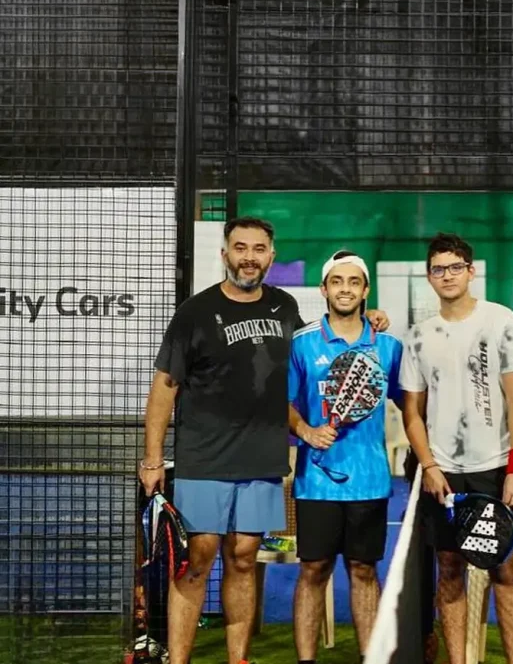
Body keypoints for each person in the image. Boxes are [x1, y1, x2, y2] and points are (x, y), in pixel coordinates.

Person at [139, 218, 390, 664]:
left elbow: (322, 343)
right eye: (240, 248)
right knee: (197, 561)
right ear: (225, 254)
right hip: (204, 459)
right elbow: (164, 386)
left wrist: (365, 318)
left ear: (271, 258)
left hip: (262, 461)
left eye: (259, 249)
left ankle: (239, 658)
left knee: (243, 558)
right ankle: (178, 660)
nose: (249, 257)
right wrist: (153, 458)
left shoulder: (284, 307)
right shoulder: (195, 312)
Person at [399, 232, 513, 664]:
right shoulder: (419, 336)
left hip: (494, 468)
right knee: (450, 568)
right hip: (443, 474)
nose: (447, 275)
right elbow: (412, 413)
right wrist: (430, 465)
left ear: (471, 272)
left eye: (456, 267)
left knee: (503, 569)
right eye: (439, 269)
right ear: (429, 276)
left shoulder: (500, 321)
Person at [288, 250, 404, 664]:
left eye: (354, 282)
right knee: (313, 571)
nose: (345, 289)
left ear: (366, 290)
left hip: (370, 480)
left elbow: (411, 405)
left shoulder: (388, 346)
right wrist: (305, 430)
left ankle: (370, 658)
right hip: (314, 482)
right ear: (324, 289)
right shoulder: (302, 344)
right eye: (337, 281)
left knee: (363, 571)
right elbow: (284, 403)